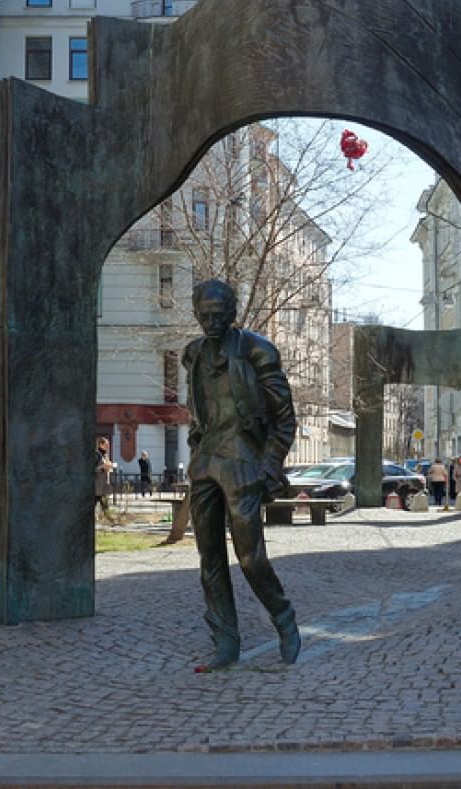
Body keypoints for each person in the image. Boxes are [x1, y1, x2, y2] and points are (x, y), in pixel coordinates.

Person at [182, 279, 300, 671]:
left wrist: (269, 465)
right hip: (206, 464)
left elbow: (284, 419)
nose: (212, 321)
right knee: (209, 559)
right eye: (205, 315)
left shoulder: (255, 350)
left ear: (233, 313)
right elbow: (197, 411)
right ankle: (225, 642)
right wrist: (196, 450)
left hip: (244, 462)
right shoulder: (193, 354)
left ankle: (283, 618)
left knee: (250, 558)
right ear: (196, 314)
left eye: (219, 314)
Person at [94, 436, 116, 523]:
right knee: (100, 502)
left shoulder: (105, 455)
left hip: (104, 484)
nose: (108, 447)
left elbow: (106, 467)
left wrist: (110, 466)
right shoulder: (96, 454)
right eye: (106, 445)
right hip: (97, 484)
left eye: (108, 445)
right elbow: (93, 469)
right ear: (100, 444)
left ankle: (109, 519)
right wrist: (103, 467)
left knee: (104, 502)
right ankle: (109, 519)